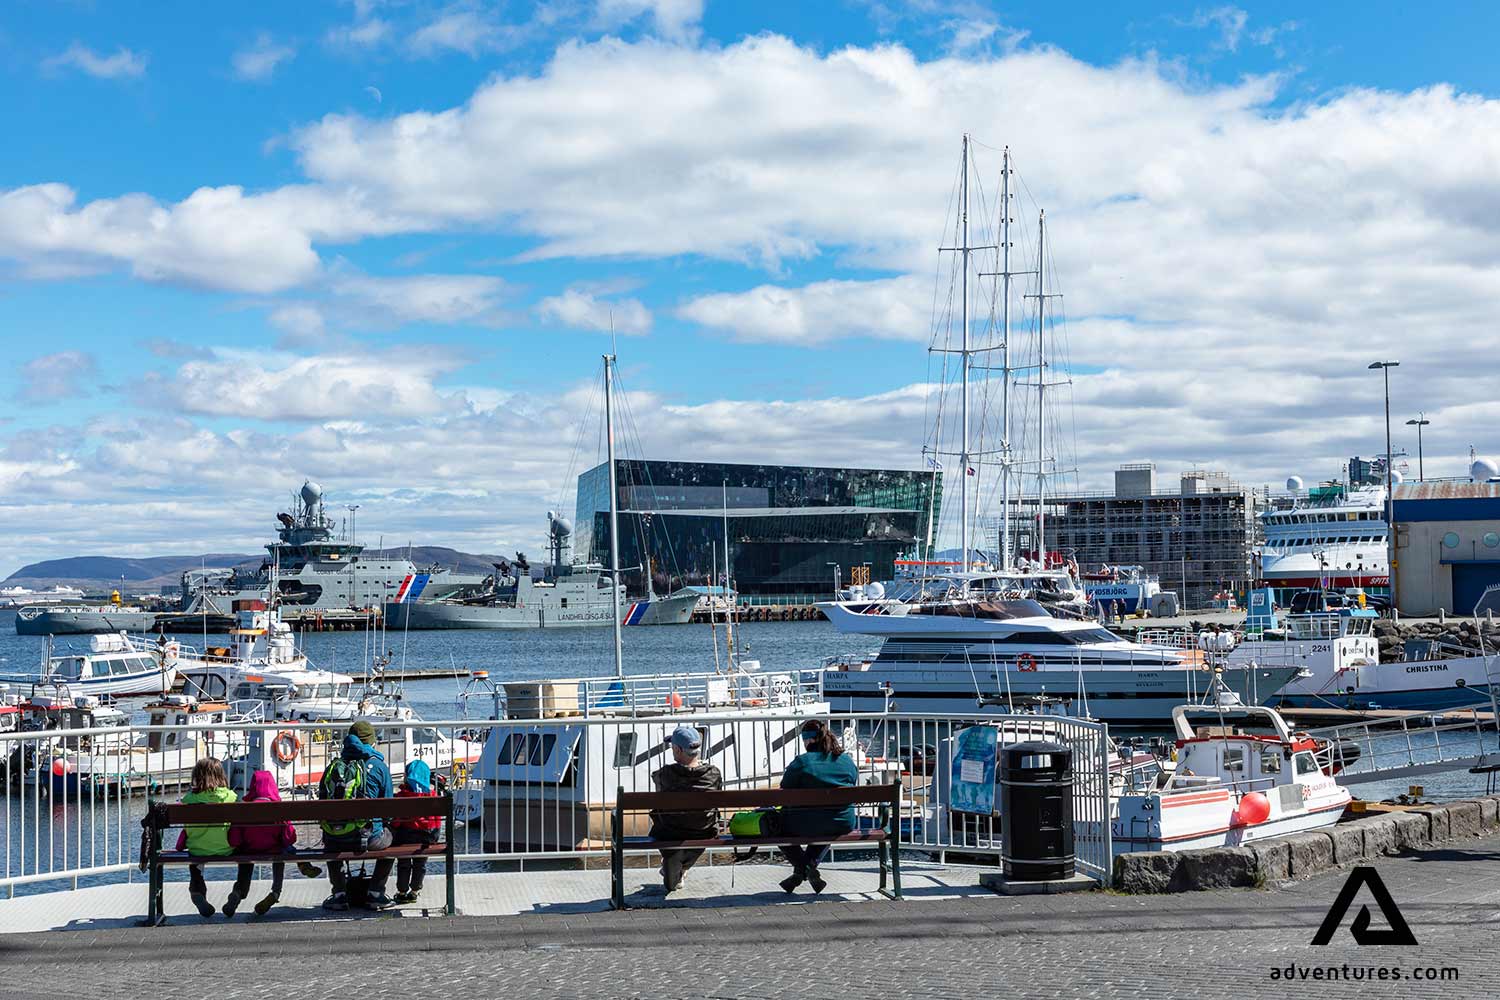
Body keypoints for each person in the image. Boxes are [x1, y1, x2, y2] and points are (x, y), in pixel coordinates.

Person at [320, 720, 394, 911]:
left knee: (331, 840)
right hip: (368, 839)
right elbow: (389, 809)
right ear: (371, 742)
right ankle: (376, 893)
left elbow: (321, 802)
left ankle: (339, 894)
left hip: (335, 838)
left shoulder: (334, 767)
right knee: (393, 839)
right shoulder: (379, 767)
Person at [778, 719, 858, 895]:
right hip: (841, 822)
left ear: (809, 740)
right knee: (827, 821)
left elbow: (785, 786)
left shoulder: (802, 762)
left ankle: (803, 869)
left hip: (804, 822)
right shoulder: (846, 761)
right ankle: (807, 869)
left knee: (775, 828)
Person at [648, 725, 723, 894]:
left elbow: (658, 787)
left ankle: (677, 867)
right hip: (702, 831)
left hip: (669, 831)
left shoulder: (665, 774)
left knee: (661, 824)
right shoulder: (713, 774)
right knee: (703, 828)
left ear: (679, 750)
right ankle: (683, 868)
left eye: (672, 747)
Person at [176, 757, 245, 919]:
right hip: (226, 848)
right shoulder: (231, 797)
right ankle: (239, 890)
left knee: (195, 862)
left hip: (197, 849)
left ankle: (196, 890)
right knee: (246, 860)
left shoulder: (189, 800)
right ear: (221, 775)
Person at [227, 769, 296, 917]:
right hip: (273, 850)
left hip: (249, 850)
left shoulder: (243, 808)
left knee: (244, 857)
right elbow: (289, 838)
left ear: (253, 786)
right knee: (282, 851)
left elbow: (234, 840)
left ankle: (239, 892)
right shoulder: (278, 809)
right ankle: (275, 892)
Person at [389, 759, 443, 905]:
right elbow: (437, 821)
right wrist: (435, 836)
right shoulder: (433, 795)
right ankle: (415, 890)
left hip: (406, 838)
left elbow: (396, 821)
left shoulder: (402, 796)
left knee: (404, 862)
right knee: (420, 863)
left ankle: (401, 891)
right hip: (426, 839)